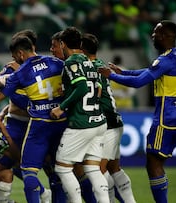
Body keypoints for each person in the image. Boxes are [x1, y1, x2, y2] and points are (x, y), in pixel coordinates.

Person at [0, 35, 67, 203]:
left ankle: (43, 195)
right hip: (59, 124)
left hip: (38, 126)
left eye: (15, 55)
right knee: (60, 173)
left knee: (29, 170)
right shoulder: (57, 64)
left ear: (21, 53)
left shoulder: (21, 72)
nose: (14, 59)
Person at [98, 20, 176, 203]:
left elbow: (139, 82)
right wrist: (123, 73)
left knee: (154, 162)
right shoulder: (175, 57)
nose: (152, 36)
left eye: (156, 33)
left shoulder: (165, 60)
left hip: (168, 118)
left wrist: (111, 75)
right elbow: (150, 71)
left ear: (166, 36)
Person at [50, 27, 109, 203]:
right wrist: (67, 92)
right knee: (92, 168)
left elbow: (82, 87)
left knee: (62, 168)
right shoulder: (89, 61)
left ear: (63, 43)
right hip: (98, 121)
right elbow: (97, 90)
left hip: (81, 123)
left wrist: (62, 106)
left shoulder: (71, 62)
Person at [81, 33, 136, 203]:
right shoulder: (100, 65)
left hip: (108, 124)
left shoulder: (90, 68)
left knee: (97, 170)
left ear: (82, 49)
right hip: (113, 121)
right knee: (113, 168)